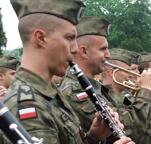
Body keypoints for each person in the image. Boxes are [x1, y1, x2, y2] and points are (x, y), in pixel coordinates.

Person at [1, 1, 130, 144]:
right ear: (40, 38)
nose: (75, 49)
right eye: (69, 38)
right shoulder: (27, 106)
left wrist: (94, 137)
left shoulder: (48, 92)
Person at [60, 16, 135, 143]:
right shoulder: (75, 90)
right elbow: (132, 130)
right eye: (103, 49)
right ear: (83, 51)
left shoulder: (93, 86)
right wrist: (146, 94)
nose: (108, 55)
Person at [102, 48, 151, 144]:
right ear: (111, 72)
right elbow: (131, 131)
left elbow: (146, 132)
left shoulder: (125, 97)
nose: (136, 74)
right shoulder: (102, 96)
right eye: (130, 70)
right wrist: (145, 92)